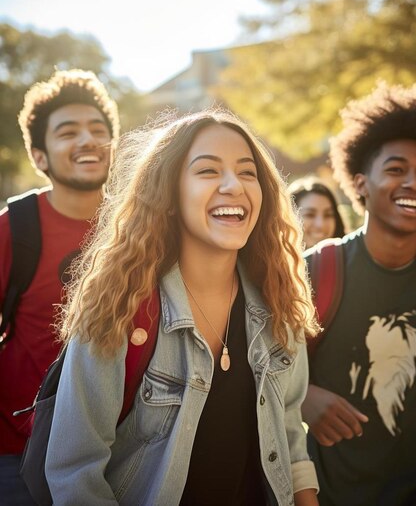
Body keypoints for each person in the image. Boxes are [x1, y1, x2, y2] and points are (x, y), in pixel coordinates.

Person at [44, 109, 321, 506]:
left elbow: (291, 439)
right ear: (169, 196)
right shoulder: (119, 308)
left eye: (247, 172)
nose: (233, 186)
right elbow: (76, 472)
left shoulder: (282, 304)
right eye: (208, 171)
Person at [302, 83, 416, 505]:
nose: (414, 182)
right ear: (361, 184)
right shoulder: (314, 272)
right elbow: (259, 376)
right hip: (331, 496)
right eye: (395, 169)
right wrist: (301, 397)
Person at [0, 69, 119, 504]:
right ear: (40, 156)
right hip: (18, 455)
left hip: (117, 454)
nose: (87, 140)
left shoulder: (142, 229)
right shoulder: (14, 229)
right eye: (68, 132)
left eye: (98, 130)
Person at [288, 177, 345, 249]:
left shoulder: (351, 257)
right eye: (310, 215)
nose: (320, 224)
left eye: (328, 215)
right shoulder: (273, 258)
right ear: (288, 217)